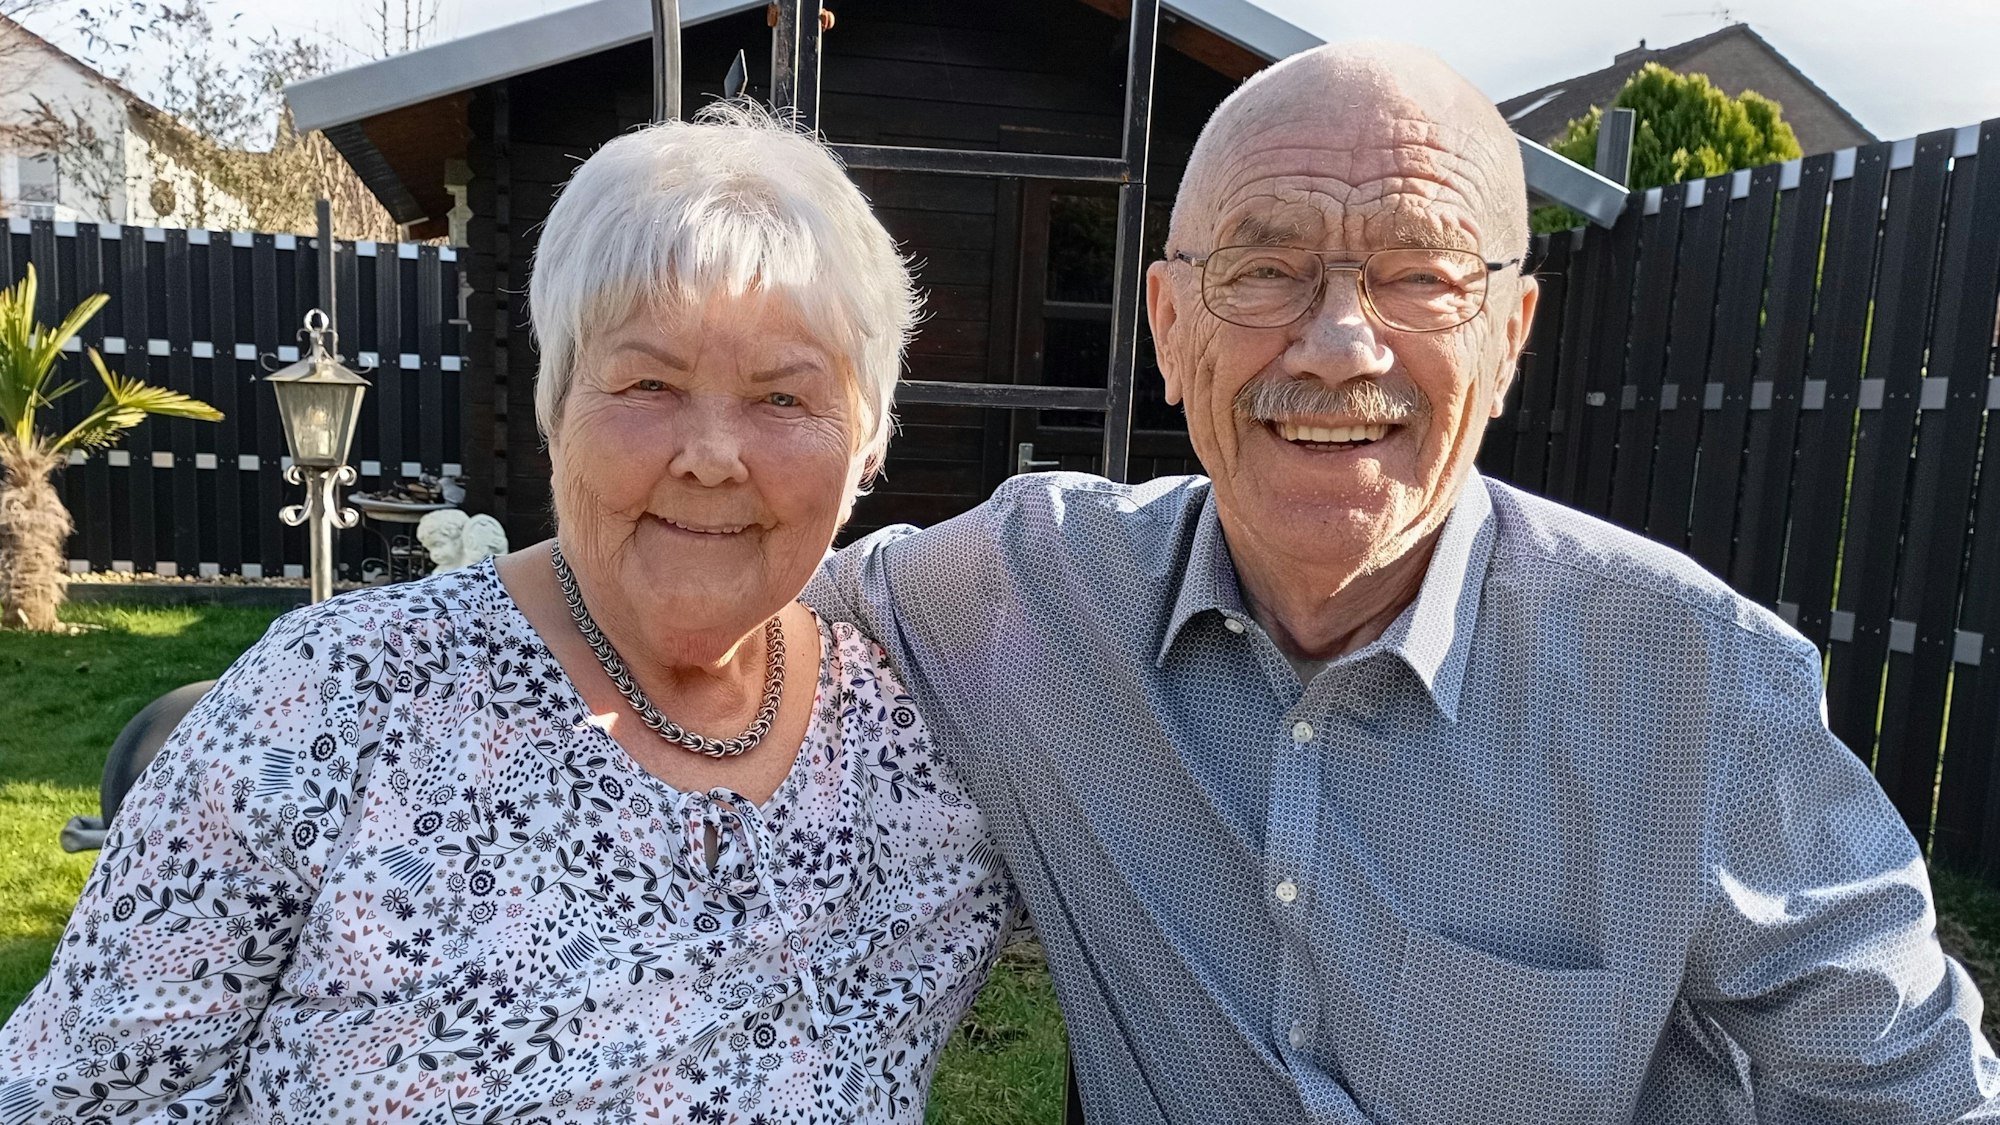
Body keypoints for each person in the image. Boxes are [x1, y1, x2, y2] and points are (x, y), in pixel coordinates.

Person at [807, 42, 2000, 1125]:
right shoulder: (1034, 587)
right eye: (1264, 266)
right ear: (1168, 331)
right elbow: (731, 590)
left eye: (1417, 274)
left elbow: (1911, 1097)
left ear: (1507, 335)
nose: (1338, 345)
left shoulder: (1698, 688)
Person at [0, 103, 1018, 1123]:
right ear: (556, 409)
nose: (711, 454)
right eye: (648, 381)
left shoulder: (927, 735)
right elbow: (75, 1099)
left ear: (867, 443)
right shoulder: (336, 697)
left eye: (784, 400)